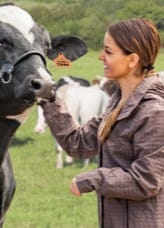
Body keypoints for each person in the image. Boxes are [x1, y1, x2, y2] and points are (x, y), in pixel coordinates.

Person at [40, 17, 164, 228]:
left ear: (132, 60)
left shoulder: (154, 113)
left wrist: (94, 179)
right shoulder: (118, 104)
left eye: (108, 51)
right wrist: (49, 98)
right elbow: (78, 143)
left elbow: (146, 181)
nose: (101, 57)